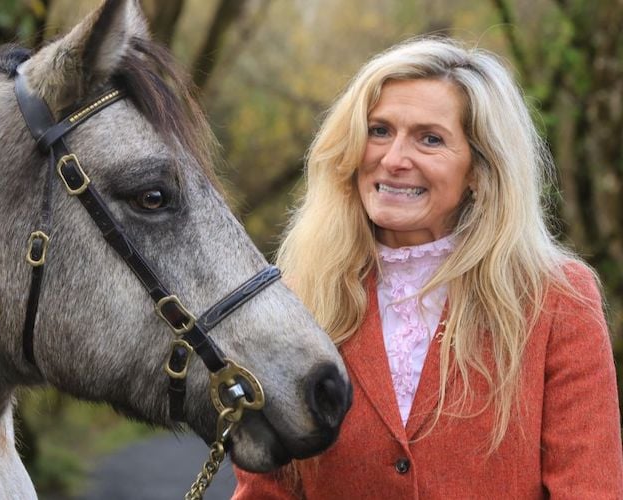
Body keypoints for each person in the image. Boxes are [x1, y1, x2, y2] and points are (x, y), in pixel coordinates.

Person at [233, 36, 623, 499]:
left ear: (479, 169)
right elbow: (266, 489)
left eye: (430, 138)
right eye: (379, 131)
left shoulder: (556, 299)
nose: (394, 159)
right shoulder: (295, 301)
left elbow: (588, 488)